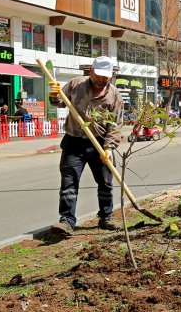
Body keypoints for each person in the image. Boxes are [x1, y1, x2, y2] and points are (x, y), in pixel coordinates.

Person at [48, 56, 124, 236]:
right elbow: (59, 101)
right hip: (74, 141)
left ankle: (106, 217)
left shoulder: (114, 95)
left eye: (105, 77)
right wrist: (53, 94)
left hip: (100, 142)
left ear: (111, 76)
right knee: (69, 182)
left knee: (105, 182)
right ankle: (66, 221)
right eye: (98, 76)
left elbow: (116, 124)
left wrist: (109, 147)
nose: (101, 80)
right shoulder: (76, 84)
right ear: (91, 71)